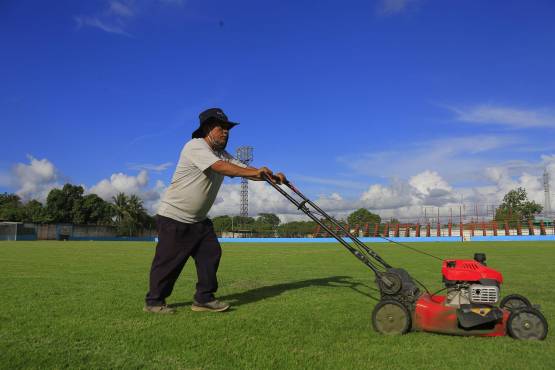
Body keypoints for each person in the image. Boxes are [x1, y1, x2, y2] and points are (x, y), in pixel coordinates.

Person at [144, 108, 286, 314]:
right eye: (222, 128)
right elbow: (221, 167)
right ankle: (154, 302)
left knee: (211, 254)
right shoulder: (195, 146)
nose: (226, 132)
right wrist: (255, 171)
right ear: (208, 129)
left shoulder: (223, 154)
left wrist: (271, 177)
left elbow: (244, 170)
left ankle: (203, 299)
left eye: (228, 129)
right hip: (174, 216)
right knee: (168, 262)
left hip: (199, 220)